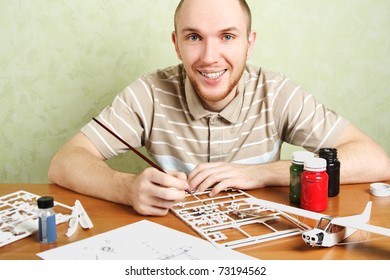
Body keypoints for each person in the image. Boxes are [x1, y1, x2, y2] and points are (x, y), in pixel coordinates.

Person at [48, 0, 390, 216]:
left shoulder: (278, 91)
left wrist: (258, 174)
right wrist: (126, 188)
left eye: (227, 36)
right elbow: (65, 162)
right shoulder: (148, 92)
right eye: (194, 37)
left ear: (249, 43)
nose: (210, 57)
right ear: (177, 44)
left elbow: (376, 160)